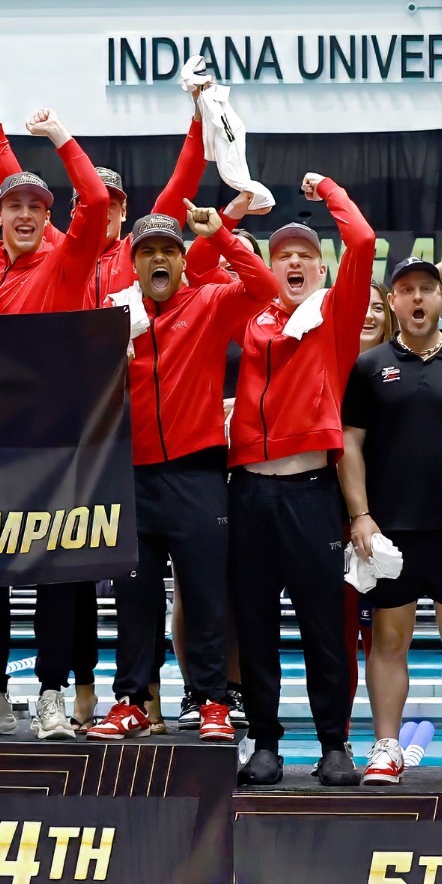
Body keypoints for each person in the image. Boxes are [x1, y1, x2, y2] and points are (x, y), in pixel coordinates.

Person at [85, 204, 275, 744]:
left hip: (198, 474)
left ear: (183, 260)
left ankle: (213, 699)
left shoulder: (210, 301)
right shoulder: (114, 313)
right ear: (134, 262)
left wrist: (224, 236)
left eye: (169, 249)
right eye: (147, 251)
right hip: (133, 476)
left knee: (206, 594)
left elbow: (261, 289)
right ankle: (131, 701)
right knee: (134, 598)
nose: (158, 259)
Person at [0, 108, 111, 740]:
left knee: (54, 574)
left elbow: (96, 200)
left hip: (55, 449)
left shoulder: (65, 265)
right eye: (13, 205)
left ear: (49, 221)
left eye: (37, 208)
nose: (24, 214)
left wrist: (56, 137)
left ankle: (51, 696)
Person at [216, 175, 375, 787]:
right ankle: (264, 742)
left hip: (311, 492)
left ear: (321, 267)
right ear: (270, 267)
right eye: (283, 255)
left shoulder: (335, 318)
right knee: (253, 623)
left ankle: (334, 742)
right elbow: (208, 254)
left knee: (322, 623)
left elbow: (360, 242)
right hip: (249, 492)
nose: (295, 263)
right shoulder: (251, 318)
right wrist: (228, 220)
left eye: (307, 255)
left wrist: (330, 190)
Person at [340, 259, 442, 786]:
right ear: (393, 302)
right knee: (388, 640)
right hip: (391, 531)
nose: (416, 299)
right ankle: (386, 746)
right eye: (406, 290)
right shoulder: (368, 367)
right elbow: (351, 445)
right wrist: (360, 514)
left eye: (427, 289)